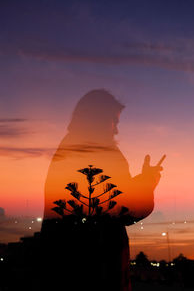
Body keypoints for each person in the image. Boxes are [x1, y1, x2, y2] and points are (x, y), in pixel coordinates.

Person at [42, 89, 163, 291]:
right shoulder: (101, 152)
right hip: (99, 268)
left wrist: (143, 180)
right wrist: (148, 182)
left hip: (69, 267)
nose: (116, 130)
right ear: (97, 118)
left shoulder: (69, 150)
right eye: (113, 121)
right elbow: (122, 207)